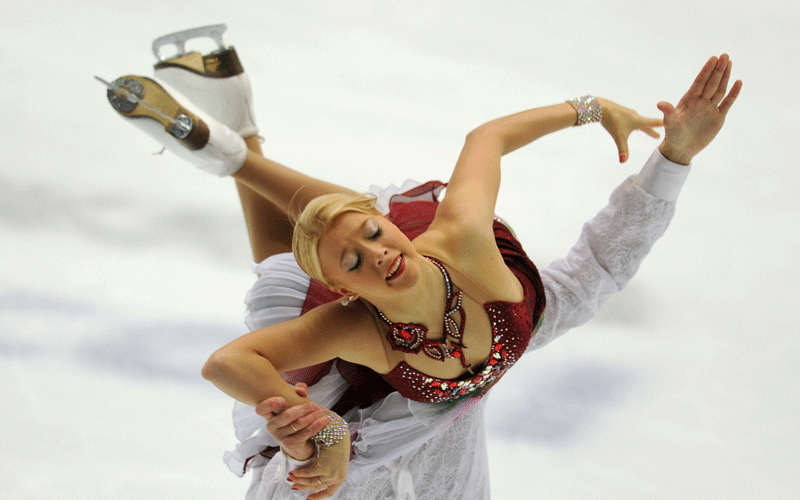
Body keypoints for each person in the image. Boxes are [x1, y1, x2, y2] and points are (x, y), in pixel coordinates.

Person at [102, 25, 741, 499]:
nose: (380, 255)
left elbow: (491, 142)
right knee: (289, 284)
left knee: (315, 247)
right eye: (356, 264)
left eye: (377, 236)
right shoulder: (356, 326)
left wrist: (625, 126)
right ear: (343, 292)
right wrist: (320, 429)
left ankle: (236, 149)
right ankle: (236, 143)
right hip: (371, 428)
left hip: (434, 387)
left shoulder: (462, 238)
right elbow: (229, 363)